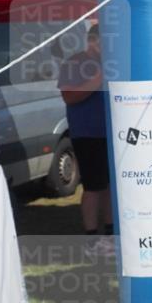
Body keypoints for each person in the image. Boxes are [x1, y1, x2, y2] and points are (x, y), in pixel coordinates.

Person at [57, 25, 112, 254]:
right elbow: (69, 97)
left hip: (111, 133)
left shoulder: (111, 62)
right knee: (93, 187)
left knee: (108, 186)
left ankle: (110, 235)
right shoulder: (75, 63)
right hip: (88, 133)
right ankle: (91, 239)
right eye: (105, 42)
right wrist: (99, 79)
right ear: (92, 41)